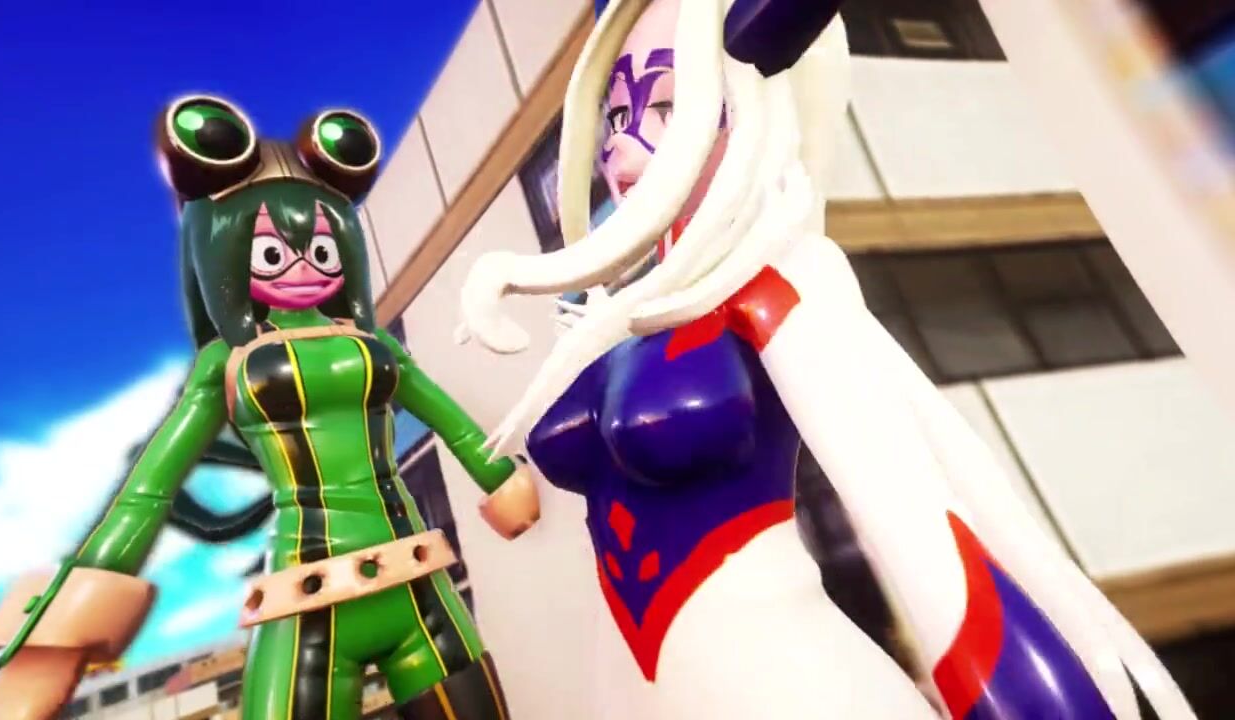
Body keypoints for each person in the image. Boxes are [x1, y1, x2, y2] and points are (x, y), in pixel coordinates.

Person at [458, 1, 1196, 718]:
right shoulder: (621, 324)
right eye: (618, 116)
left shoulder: (777, 287)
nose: (620, 148)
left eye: (667, 107)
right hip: (630, 688)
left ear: (746, 108)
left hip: (785, 685)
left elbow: (912, 521)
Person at [0, 96, 538, 720]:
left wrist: (500, 477)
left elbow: (450, 420)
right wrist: (56, 640)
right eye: (271, 253)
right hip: (309, 604)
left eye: (321, 249)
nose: (300, 266)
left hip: (420, 587)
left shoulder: (372, 345)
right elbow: (149, 487)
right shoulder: (228, 363)